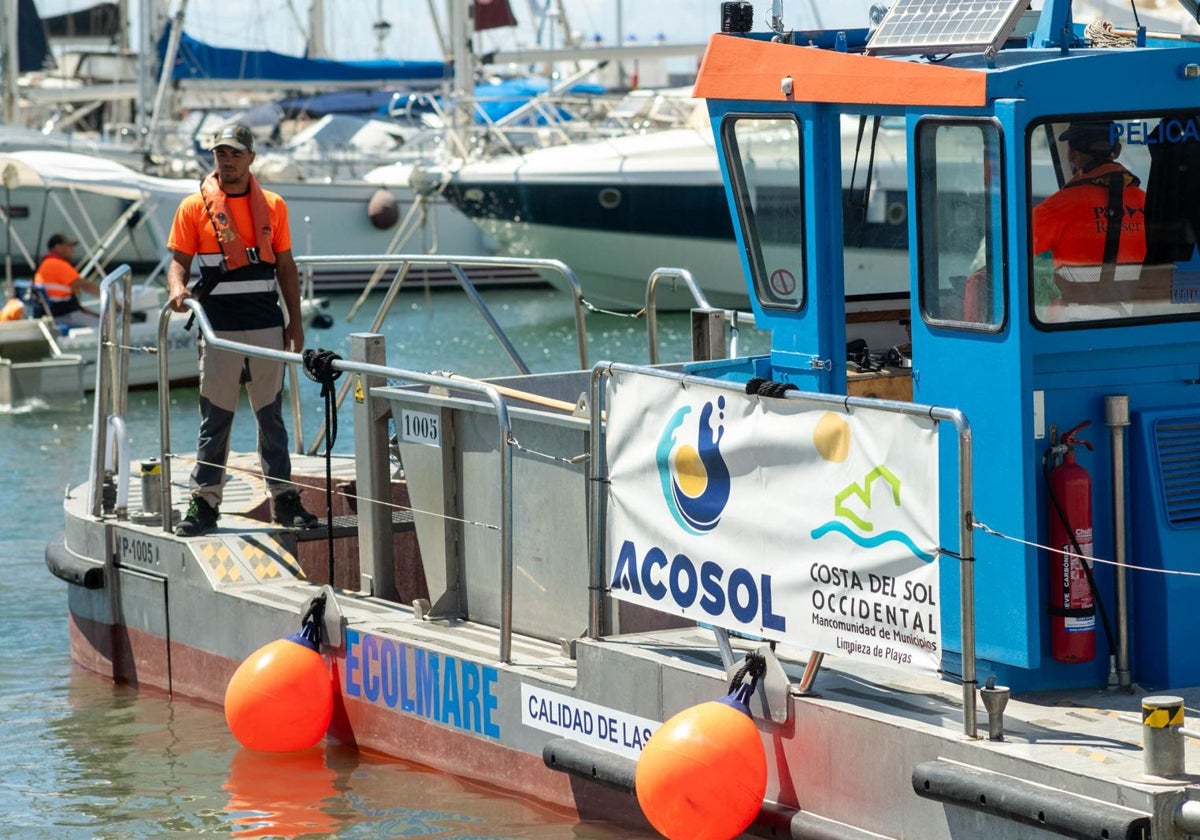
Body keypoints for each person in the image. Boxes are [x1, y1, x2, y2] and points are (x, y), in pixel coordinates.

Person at [166, 123, 317, 536]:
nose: (227, 161)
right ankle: (203, 504)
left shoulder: (274, 205)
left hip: (267, 325)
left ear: (251, 158)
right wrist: (178, 288)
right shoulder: (193, 208)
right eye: (220, 154)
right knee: (215, 419)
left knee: (271, 417)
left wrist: (296, 322)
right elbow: (178, 262)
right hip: (219, 330)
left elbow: (286, 267)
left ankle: (284, 500)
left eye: (235, 153)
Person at [1031, 120, 1148, 321]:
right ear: (1117, 151)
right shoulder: (1147, 203)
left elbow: (1016, 260)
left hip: (1077, 325)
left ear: (1071, 154)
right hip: (1144, 321)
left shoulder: (1053, 209)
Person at [33, 233, 102, 327]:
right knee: (107, 327)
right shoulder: (58, 264)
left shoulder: (45, 264)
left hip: (54, 314)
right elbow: (85, 286)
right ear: (58, 247)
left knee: (101, 321)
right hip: (63, 316)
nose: (72, 250)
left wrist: (98, 316)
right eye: (69, 246)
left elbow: (76, 307)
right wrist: (110, 299)